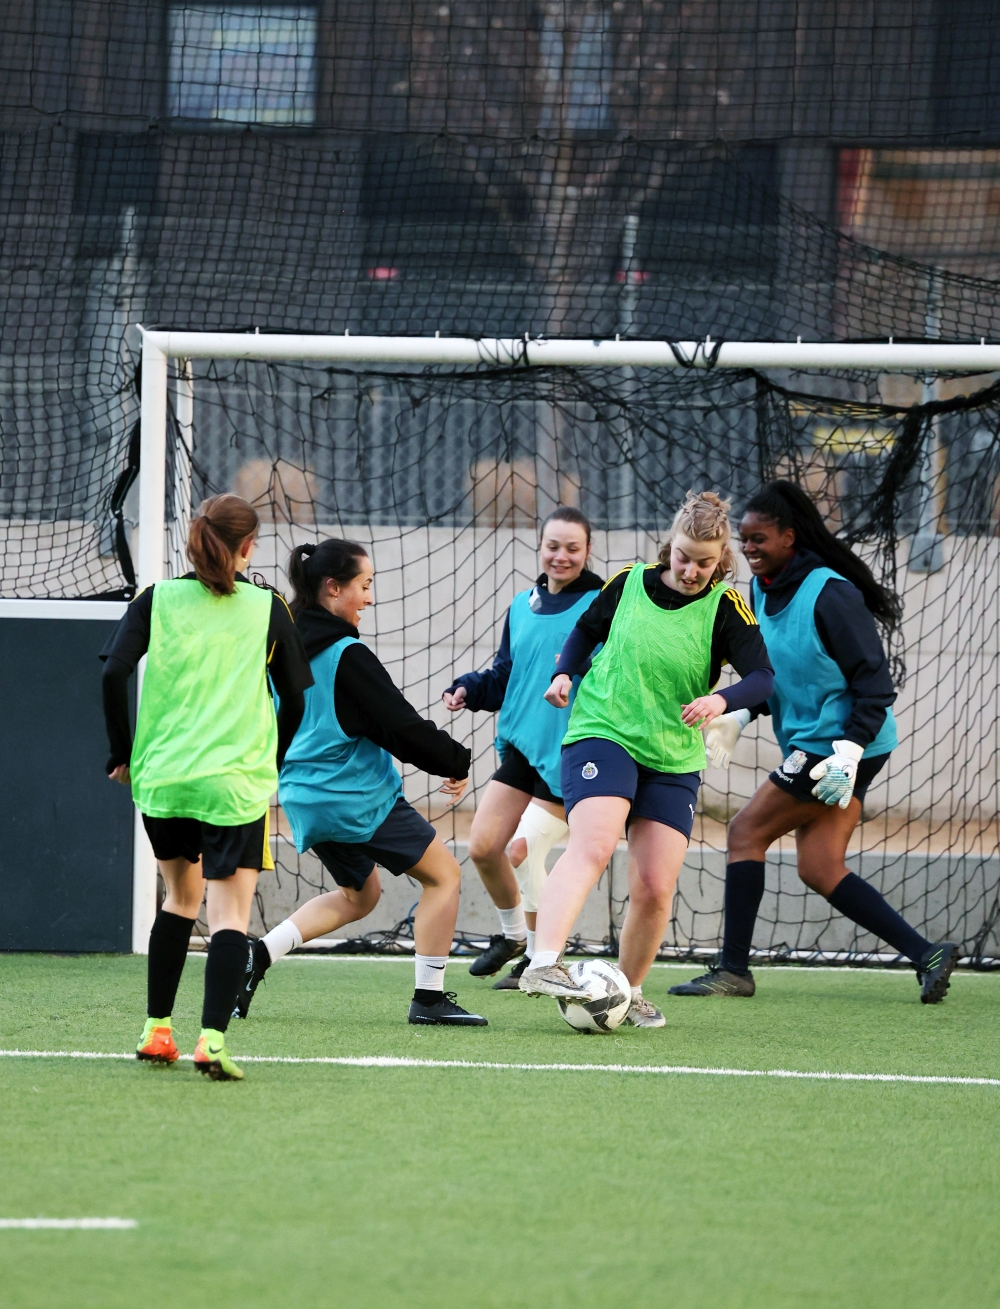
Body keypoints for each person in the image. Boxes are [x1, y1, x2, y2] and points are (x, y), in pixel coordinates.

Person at [669, 481, 959, 1002]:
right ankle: (927, 954)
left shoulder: (832, 594)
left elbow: (875, 686)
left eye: (758, 538)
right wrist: (741, 715)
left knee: (744, 833)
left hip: (843, 745)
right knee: (820, 867)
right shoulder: (758, 592)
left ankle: (733, 970)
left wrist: (847, 753)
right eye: (744, 539)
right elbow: (780, 676)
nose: (748, 547)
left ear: (789, 536)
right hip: (825, 744)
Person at [518, 491, 774, 1026]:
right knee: (593, 845)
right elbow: (585, 631)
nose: (691, 570)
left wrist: (721, 701)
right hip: (604, 730)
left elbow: (762, 678)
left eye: (704, 562)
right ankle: (543, 963)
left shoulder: (727, 607)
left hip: (673, 754)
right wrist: (564, 673)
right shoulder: (629, 582)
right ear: (669, 547)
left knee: (656, 887)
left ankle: (627, 993)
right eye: (683, 557)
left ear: (721, 558)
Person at [101, 493, 314, 1081]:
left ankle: (156, 1031)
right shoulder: (267, 607)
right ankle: (212, 1041)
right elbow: (296, 698)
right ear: (248, 547)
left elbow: (113, 672)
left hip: (165, 778)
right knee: (228, 914)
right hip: (233, 784)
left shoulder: (156, 599)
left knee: (179, 899)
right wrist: (272, 758)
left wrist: (122, 752)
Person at [234, 538, 487, 1027]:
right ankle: (429, 999)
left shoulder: (281, 646)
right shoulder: (347, 655)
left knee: (360, 895)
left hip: (302, 798)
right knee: (444, 876)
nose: (369, 598)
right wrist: (455, 760)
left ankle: (258, 954)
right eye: (364, 586)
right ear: (333, 588)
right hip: (351, 796)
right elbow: (400, 727)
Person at [442, 507, 604, 988]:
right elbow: (506, 675)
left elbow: (612, 673)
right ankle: (515, 936)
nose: (561, 556)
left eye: (572, 548)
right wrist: (470, 688)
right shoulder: (522, 605)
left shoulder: (602, 605)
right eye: (553, 546)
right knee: (483, 847)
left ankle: (540, 957)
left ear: (588, 550)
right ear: (540, 546)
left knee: (522, 848)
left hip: (573, 751)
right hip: (522, 747)